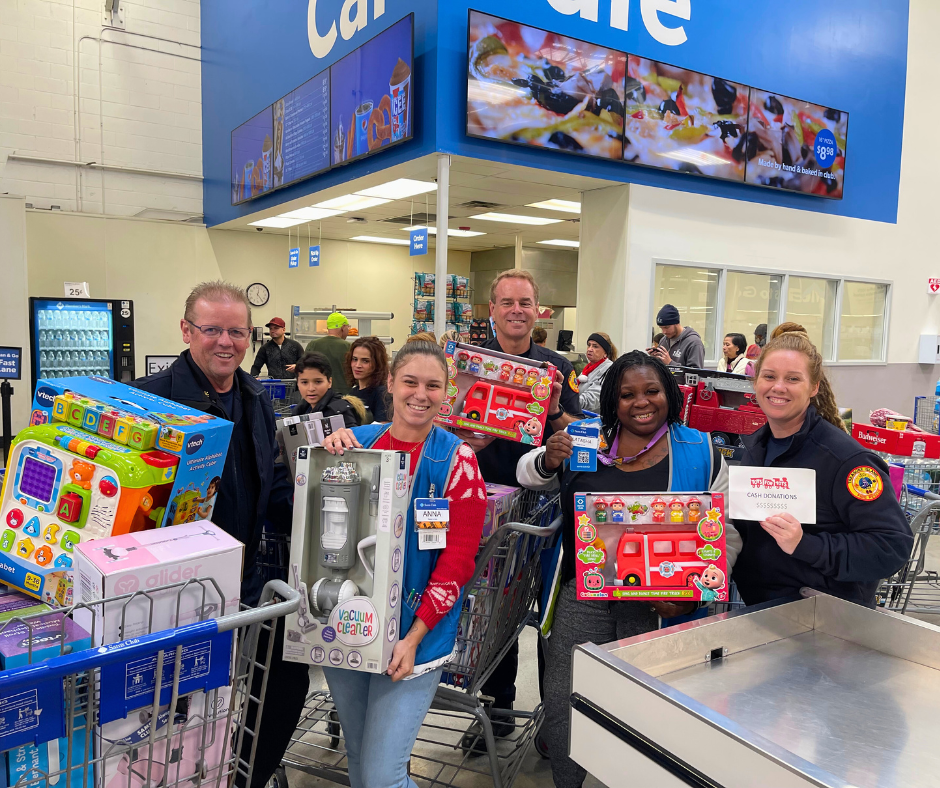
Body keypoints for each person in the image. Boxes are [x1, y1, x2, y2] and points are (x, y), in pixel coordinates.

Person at [516, 350, 740, 788]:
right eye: (627, 394)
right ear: (613, 402)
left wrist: (694, 592)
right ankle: (569, 781)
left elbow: (725, 533)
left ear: (668, 394)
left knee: (648, 709)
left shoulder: (699, 450)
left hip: (662, 604)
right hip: (584, 594)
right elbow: (528, 475)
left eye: (652, 391)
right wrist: (549, 458)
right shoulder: (587, 438)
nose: (641, 402)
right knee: (567, 700)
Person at [133, 281, 306, 788]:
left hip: (243, 584)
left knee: (280, 681)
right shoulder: (149, 400)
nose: (225, 342)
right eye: (212, 330)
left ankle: (242, 776)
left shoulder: (255, 397)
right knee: (177, 714)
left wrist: (321, 499)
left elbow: (266, 485)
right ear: (187, 331)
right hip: (167, 595)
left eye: (237, 331)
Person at [318, 341, 486, 788]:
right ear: (389, 383)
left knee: (381, 775)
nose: (420, 394)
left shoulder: (457, 461)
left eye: (433, 386)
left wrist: (414, 637)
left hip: (416, 636)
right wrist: (327, 454)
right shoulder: (359, 445)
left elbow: (456, 563)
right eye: (410, 381)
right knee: (359, 759)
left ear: (445, 395)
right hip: (351, 621)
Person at [457, 269, 583, 736]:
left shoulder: (557, 368)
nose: (516, 310)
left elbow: (581, 430)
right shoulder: (470, 366)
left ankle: (554, 719)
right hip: (484, 504)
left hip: (544, 508)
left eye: (524, 303)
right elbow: (445, 433)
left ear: (537, 311)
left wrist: (553, 411)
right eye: (506, 302)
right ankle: (498, 709)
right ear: (491, 310)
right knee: (493, 614)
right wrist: (471, 442)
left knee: (548, 617)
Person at [731, 323, 913, 608]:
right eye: (769, 376)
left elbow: (891, 546)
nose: (778, 387)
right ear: (756, 383)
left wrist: (806, 545)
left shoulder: (848, 461)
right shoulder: (755, 448)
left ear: (813, 387)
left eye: (793, 379)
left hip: (826, 623)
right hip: (764, 614)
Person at [293, 352, 363, 427]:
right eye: (304, 382)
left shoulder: (339, 412)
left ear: (329, 382)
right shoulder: (301, 409)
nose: (311, 388)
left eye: (318, 382)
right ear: (298, 383)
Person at [343, 336, 390, 423]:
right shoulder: (352, 392)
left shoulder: (382, 393)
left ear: (378, 363)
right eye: (355, 359)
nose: (358, 365)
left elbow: (383, 429)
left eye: (365, 361)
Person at [305, 312, 352, 395]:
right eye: (348, 327)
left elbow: (304, 368)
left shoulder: (313, 344)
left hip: (317, 394)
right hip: (342, 395)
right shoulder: (348, 347)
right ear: (343, 327)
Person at [649, 304, 705, 368]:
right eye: (661, 328)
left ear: (676, 323)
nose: (664, 332)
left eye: (666, 327)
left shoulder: (694, 343)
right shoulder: (663, 341)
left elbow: (695, 374)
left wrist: (670, 363)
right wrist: (655, 359)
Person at [577, 332, 618, 413]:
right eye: (589, 345)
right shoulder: (588, 368)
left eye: (595, 346)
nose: (589, 349)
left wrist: (567, 400)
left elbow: (591, 401)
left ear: (605, 352)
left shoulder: (608, 369)